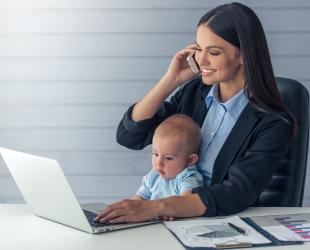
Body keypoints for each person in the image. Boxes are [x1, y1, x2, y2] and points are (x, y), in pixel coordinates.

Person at [95, 2, 296, 223]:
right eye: (199, 49)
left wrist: (153, 207)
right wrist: (170, 81)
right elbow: (130, 136)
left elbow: (236, 193)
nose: (201, 61)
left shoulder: (273, 122)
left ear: (244, 55)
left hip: (215, 222)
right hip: (165, 217)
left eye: (214, 52)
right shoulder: (195, 92)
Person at [131, 114, 203, 201]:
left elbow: (187, 200)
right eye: (156, 154)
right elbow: (139, 198)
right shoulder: (153, 176)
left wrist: (175, 210)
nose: (159, 162)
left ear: (190, 160)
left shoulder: (187, 177)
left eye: (168, 158)